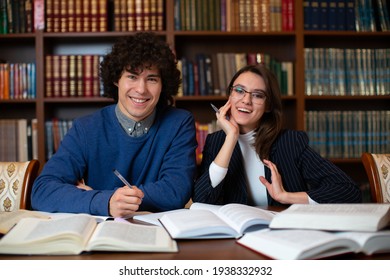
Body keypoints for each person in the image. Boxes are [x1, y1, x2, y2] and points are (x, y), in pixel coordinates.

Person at [31, 32, 198, 217]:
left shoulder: (179, 123)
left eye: (152, 79)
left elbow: (176, 192)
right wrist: (107, 202)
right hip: (100, 236)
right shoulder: (86, 128)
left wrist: (99, 195)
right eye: (132, 77)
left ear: (163, 84)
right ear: (116, 80)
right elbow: (42, 191)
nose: (141, 89)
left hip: (158, 234)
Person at [193, 64, 361, 206]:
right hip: (236, 237)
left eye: (258, 95)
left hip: (283, 234)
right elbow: (202, 199)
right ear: (230, 95)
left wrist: (287, 197)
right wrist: (231, 137)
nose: (246, 100)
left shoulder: (290, 142)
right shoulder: (215, 143)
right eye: (239, 90)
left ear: (268, 106)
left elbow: (348, 190)